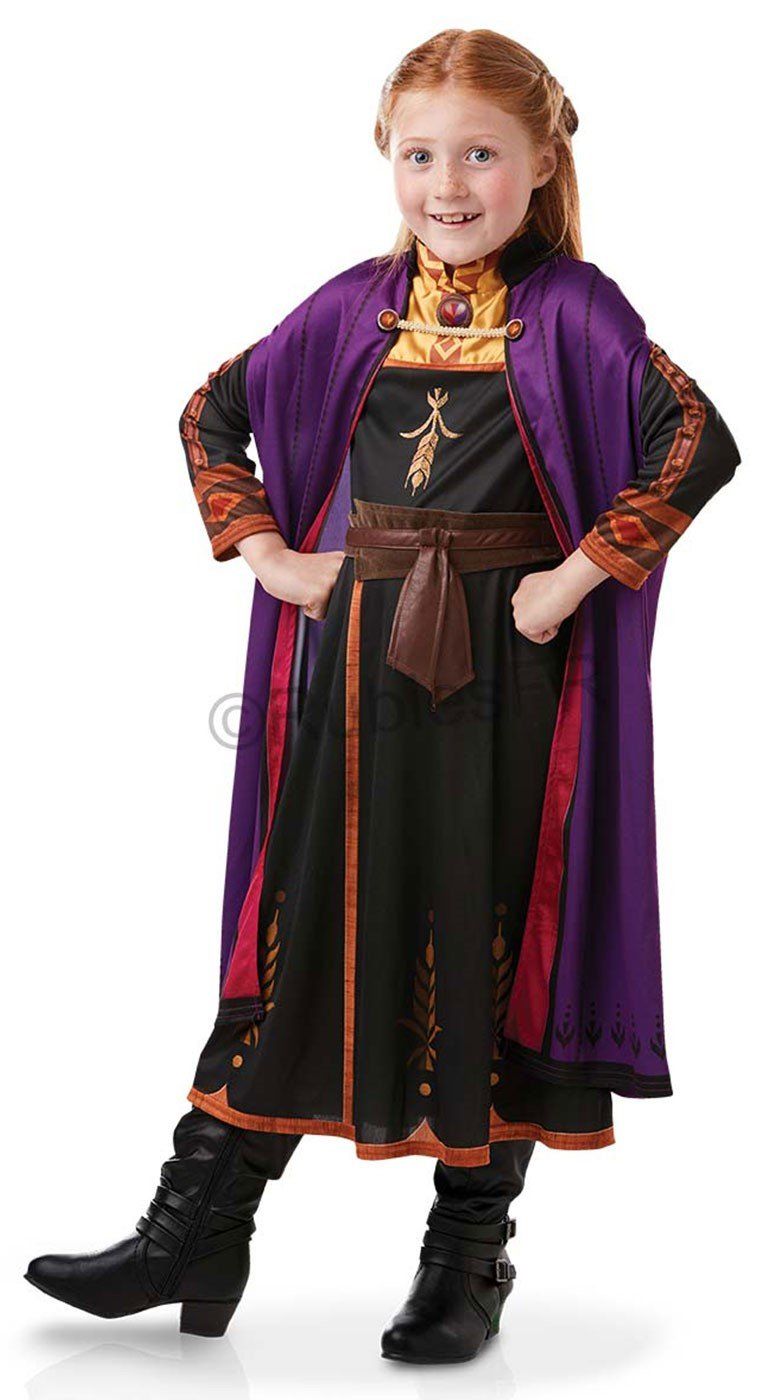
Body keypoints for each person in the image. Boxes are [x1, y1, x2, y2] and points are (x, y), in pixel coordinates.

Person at [24, 28, 740, 1363]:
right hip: (353, 665)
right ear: (386, 159)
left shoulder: (576, 313)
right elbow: (213, 410)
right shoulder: (351, 308)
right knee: (296, 916)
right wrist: (268, 553)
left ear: (540, 162)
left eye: (480, 154)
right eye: (420, 155)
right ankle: (195, 1226)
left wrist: (569, 581)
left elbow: (696, 444)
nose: (447, 184)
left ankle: (467, 1256)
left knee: (484, 919)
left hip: (512, 677)